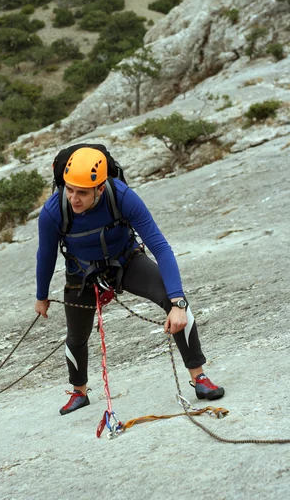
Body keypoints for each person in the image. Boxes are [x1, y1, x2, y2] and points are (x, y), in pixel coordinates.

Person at [35, 147, 224, 415]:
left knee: (175, 303)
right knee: (76, 335)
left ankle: (199, 377)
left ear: (100, 188)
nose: (74, 199)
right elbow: (45, 256)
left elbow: (159, 245)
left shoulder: (121, 197)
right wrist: (41, 296)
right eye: (69, 190)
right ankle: (79, 392)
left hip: (126, 261)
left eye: (83, 192)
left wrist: (178, 301)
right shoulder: (53, 212)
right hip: (82, 273)